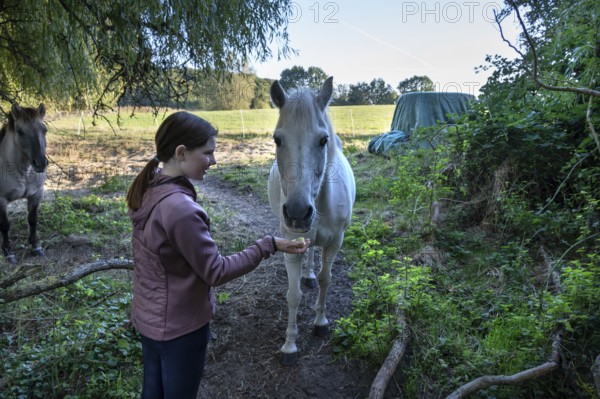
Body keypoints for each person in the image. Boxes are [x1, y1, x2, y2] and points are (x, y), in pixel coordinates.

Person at [125, 111, 310, 399]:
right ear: (181, 152)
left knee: (153, 392)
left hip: (150, 321)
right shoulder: (180, 210)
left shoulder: (150, 188)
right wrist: (268, 244)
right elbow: (216, 271)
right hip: (180, 329)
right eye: (208, 153)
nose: (214, 160)